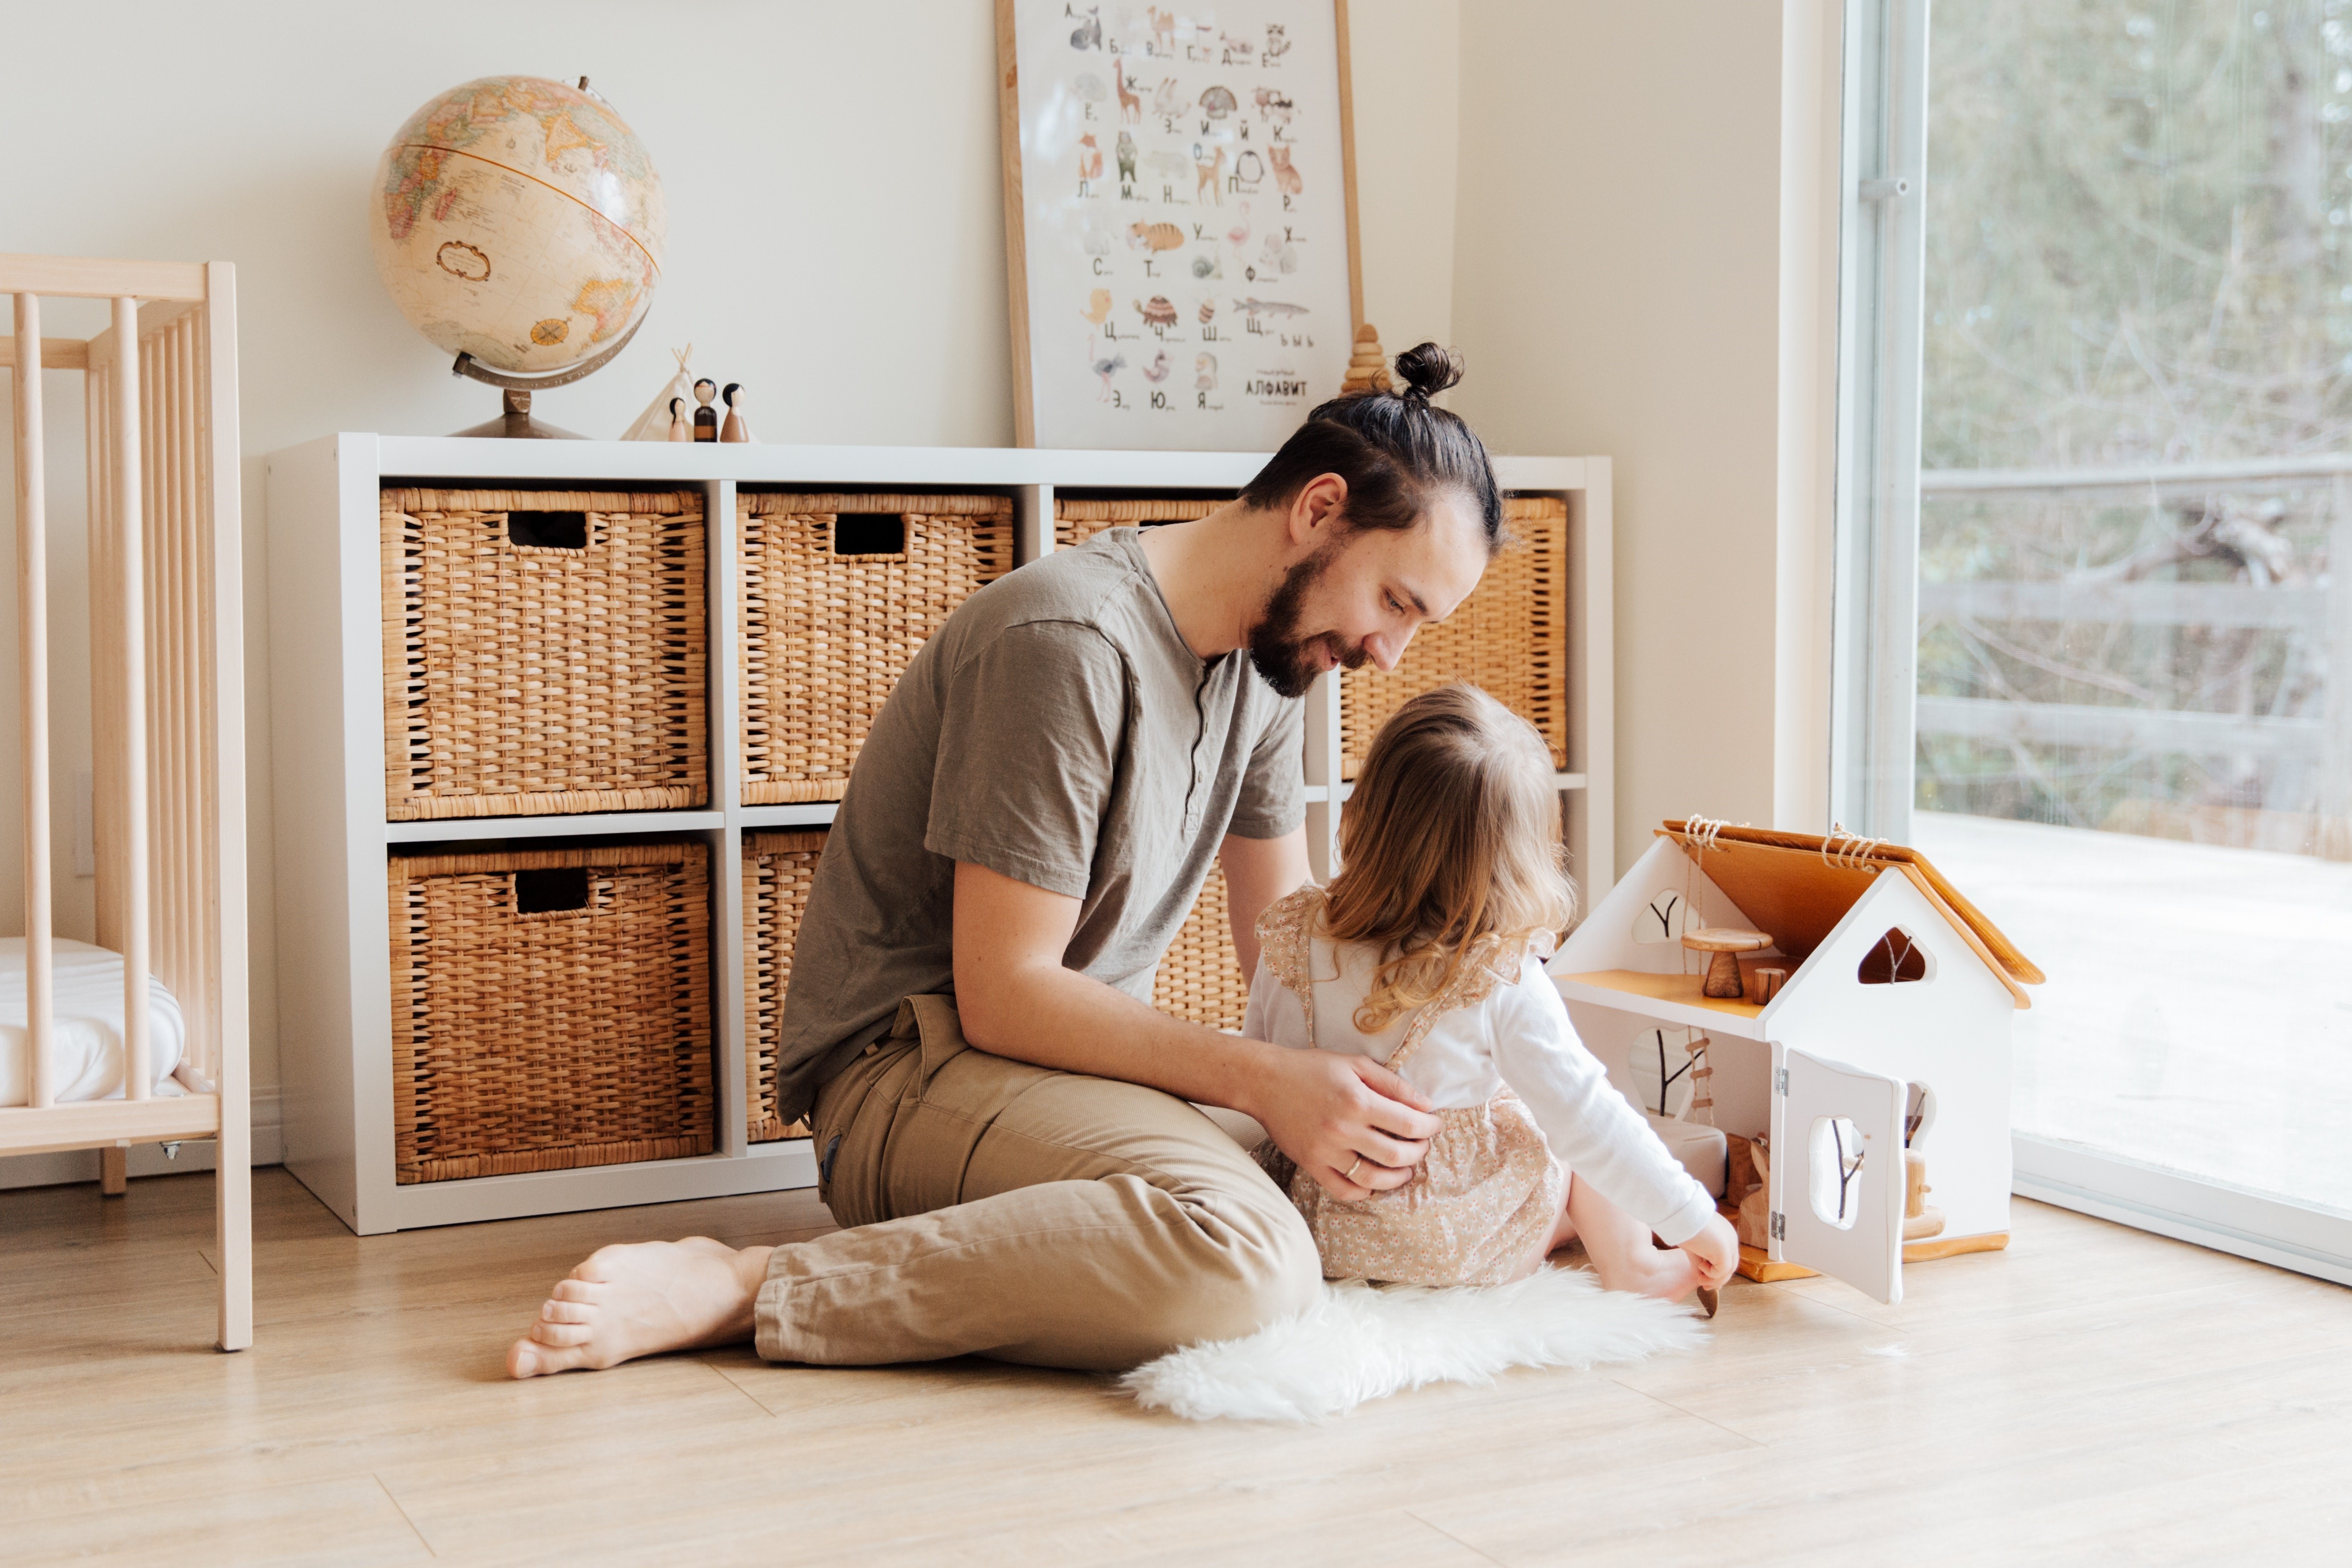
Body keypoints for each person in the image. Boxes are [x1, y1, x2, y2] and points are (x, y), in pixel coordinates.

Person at [509, 344, 1506, 1377]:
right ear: (1319, 509)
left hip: (1069, 1076)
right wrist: (1268, 1085)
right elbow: (1004, 993)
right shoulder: (1068, 641)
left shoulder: (1267, 664)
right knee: (1253, 1260)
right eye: (1395, 602)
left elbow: (1287, 951)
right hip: (909, 1073)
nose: (1389, 653)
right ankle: (754, 1283)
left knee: (1389, 1165)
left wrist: (1428, 1072)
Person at [1245, 685, 1739, 1303]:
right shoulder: (1498, 974)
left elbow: (1257, 1064)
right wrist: (1696, 1217)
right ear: (1521, 862)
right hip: (1451, 1243)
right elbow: (1589, 1119)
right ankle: (1634, 1263)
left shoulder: (1292, 934)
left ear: (1363, 811)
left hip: (1318, 1224)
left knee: (1534, 1120)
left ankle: (1562, 1229)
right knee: (1566, 1126)